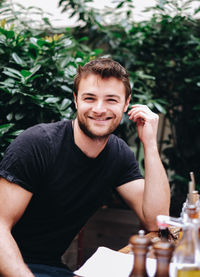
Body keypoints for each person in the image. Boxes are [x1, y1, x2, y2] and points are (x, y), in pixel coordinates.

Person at [0, 57, 170, 277]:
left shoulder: (118, 155)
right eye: (90, 98)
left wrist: (150, 144)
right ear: (76, 100)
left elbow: (157, 221)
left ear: (126, 104)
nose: (99, 109)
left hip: (49, 267)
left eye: (111, 100)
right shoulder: (37, 144)